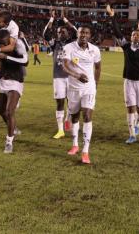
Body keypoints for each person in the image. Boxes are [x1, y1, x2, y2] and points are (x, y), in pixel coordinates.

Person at [106, 5, 139, 144]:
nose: (134, 36)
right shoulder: (126, 46)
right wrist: (113, 16)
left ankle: (137, 124)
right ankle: (132, 134)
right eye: (132, 34)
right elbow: (118, 32)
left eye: (137, 34)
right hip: (129, 82)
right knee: (130, 108)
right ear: (131, 37)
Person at [62, 26, 101, 164]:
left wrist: (95, 83)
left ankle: (85, 151)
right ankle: (75, 145)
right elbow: (65, 66)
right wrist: (77, 75)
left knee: (87, 116)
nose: (83, 35)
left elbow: (98, 67)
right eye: (81, 33)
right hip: (73, 88)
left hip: (89, 88)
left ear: (89, 35)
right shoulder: (69, 47)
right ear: (77, 34)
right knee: (75, 116)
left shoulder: (94, 50)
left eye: (86, 33)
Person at [43, 9, 77, 139]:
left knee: (72, 103)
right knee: (60, 102)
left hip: (71, 76)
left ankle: (68, 119)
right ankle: (60, 129)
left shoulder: (72, 43)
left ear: (67, 33)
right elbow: (45, 34)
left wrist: (65, 20)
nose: (60, 33)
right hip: (58, 77)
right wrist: (51, 19)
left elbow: (75, 30)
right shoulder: (55, 44)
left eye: (63, 31)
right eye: (58, 32)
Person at [0, 30, 28, 153]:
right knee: (2, 111)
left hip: (15, 81)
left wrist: (7, 57)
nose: (2, 45)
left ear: (9, 39)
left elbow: (25, 61)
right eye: (0, 42)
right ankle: (13, 128)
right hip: (2, 80)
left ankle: (9, 142)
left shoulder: (18, 45)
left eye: (4, 43)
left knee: (9, 111)